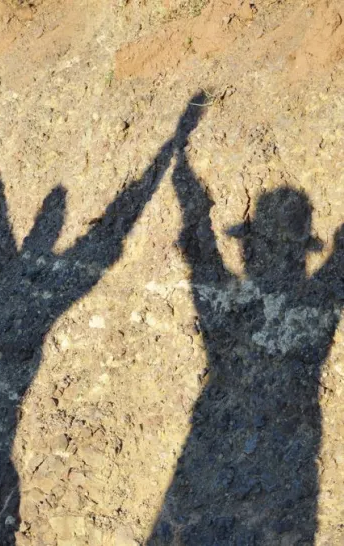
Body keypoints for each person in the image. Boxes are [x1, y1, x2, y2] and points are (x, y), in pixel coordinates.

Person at [0, 97, 206, 545]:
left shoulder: (38, 275)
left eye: (52, 220)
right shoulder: (14, 272)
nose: (45, 228)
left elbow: (117, 219)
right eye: (47, 220)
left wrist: (169, 148)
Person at [148, 94, 344, 544]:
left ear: (252, 242)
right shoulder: (313, 305)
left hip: (214, 475)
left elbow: (199, 253)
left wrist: (180, 168)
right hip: (288, 484)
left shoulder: (228, 303)